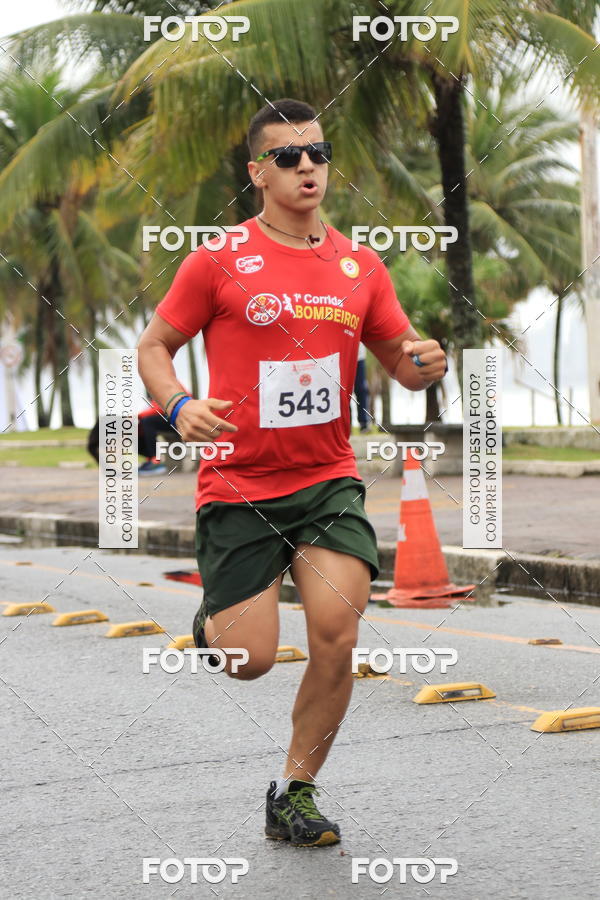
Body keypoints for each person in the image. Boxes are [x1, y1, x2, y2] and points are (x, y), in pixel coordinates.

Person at [137, 98, 447, 847]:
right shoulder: (216, 260)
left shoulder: (360, 266)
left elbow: (402, 365)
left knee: (337, 633)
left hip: (327, 480)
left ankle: (296, 793)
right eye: (288, 156)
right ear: (258, 172)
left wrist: (426, 362)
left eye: (318, 153)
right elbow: (153, 347)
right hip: (240, 484)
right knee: (249, 661)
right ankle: (215, 622)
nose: (307, 166)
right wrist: (178, 407)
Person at [353, 342, 370, 432]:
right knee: (343, 391)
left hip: (359, 357)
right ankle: (347, 424)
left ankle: (364, 423)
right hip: (343, 356)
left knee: (361, 390)